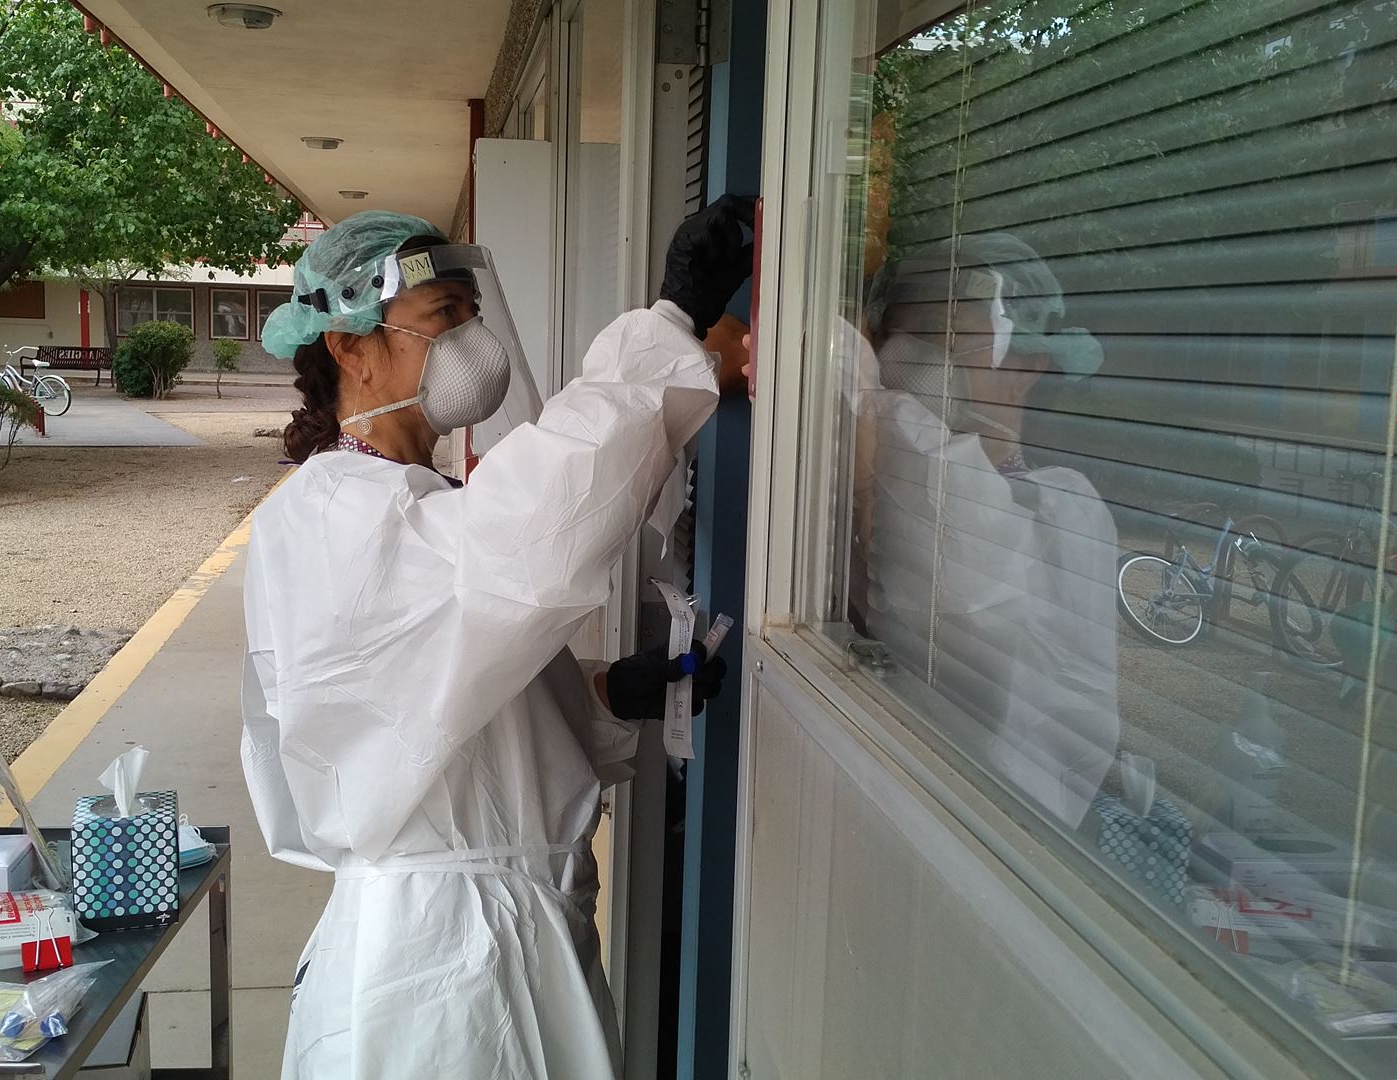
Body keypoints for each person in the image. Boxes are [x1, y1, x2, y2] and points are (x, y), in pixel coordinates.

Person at [241, 198, 750, 1079]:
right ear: (350, 345)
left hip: (490, 938)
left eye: (474, 313)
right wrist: (670, 323)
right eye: (445, 317)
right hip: (445, 968)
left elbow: (456, 712)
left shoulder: (408, 505)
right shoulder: (337, 516)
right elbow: (533, 538)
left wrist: (607, 701)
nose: (474, 338)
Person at [847, 233, 1121, 829]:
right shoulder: (904, 469)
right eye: (903, 339)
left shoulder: (1059, 509)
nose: (910, 359)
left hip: (1010, 825)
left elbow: (971, 574)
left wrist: (864, 382)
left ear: (1027, 365)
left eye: (945, 342)